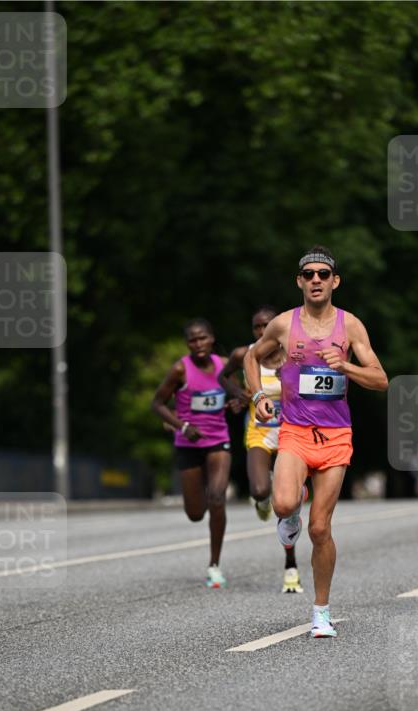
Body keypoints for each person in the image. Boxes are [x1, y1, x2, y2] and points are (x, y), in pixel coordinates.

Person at [244, 246, 388, 637]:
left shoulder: (351, 326)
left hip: (337, 437)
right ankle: (290, 512)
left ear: (335, 281)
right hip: (294, 431)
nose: (316, 280)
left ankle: (320, 611)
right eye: (309, 275)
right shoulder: (284, 325)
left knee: (321, 529)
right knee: (284, 502)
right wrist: (258, 398)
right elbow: (250, 359)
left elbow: (380, 379)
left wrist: (347, 366)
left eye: (323, 274)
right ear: (300, 282)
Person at [219, 306, 303, 594]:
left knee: (288, 503)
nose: (262, 330)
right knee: (258, 490)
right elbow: (223, 377)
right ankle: (262, 499)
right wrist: (240, 394)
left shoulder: (294, 353)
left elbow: (313, 390)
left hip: (291, 432)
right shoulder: (246, 355)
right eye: (257, 326)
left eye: (267, 324)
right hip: (260, 432)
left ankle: (291, 567)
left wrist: (288, 381)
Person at [152, 318, 233, 588]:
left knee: (217, 498)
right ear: (188, 343)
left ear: (212, 338)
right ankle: (205, 506)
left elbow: (235, 394)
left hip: (218, 440)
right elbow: (158, 403)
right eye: (193, 340)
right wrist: (182, 426)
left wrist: (236, 402)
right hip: (188, 444)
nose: (198, 344)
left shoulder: (224, 364)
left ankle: (214, 565)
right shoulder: (180, 369)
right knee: (196, 513)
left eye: (203, 338)